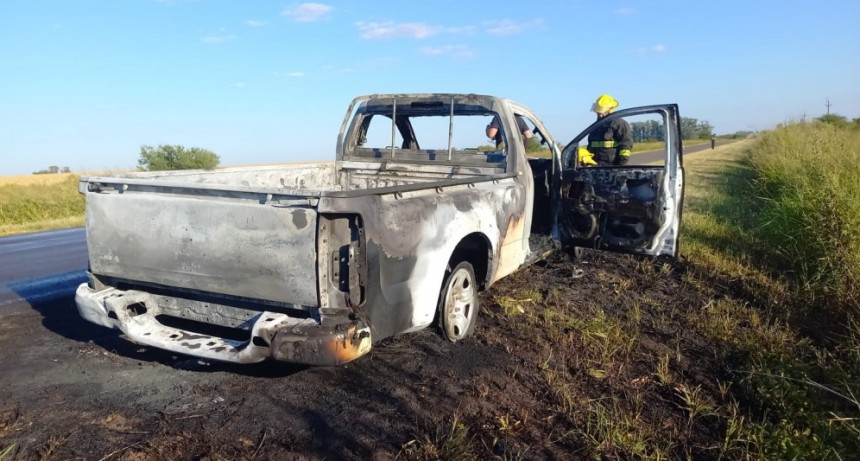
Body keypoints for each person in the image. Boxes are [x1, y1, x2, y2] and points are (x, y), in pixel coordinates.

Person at [586, 94, 633, 166]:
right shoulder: (596, 126)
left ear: (610, 110)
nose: (600, 115)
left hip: (611, 166)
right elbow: (590, 145)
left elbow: (625, 146)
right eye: (598, 113)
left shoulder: (620, 124)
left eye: (603, 113)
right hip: (595, 166)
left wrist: (620, 166)